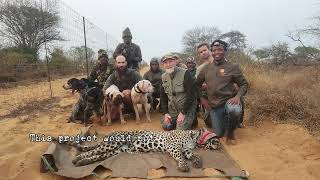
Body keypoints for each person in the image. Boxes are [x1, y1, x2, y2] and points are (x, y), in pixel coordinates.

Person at [196, 40, 248, 145]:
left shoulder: (233, 67)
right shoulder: (205, 68)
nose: (216, 52)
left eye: (220, 49)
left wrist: (238, 97)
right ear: (211, 52)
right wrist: (202, 99)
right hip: (214, 105)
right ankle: (225, 122)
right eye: (214, 50)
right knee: (218, 134)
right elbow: (197, 85)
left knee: (234, 110)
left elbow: (244, 84)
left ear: (225, 51)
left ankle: (231, 133)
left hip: (228, 101)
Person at [160, 54, 197, 131]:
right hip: (173, 109)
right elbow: (163, 97)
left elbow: (191, 95)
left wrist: (183, 112)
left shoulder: (185, 73)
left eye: (170, 61)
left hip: (186, 108)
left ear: (175, 62)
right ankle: (179, 120)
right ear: (163, 65)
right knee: (166, 126)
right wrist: (166, 113)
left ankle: (192, 119)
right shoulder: (163, 77)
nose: (168, 64)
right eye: (165, 63)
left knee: (179, 131)